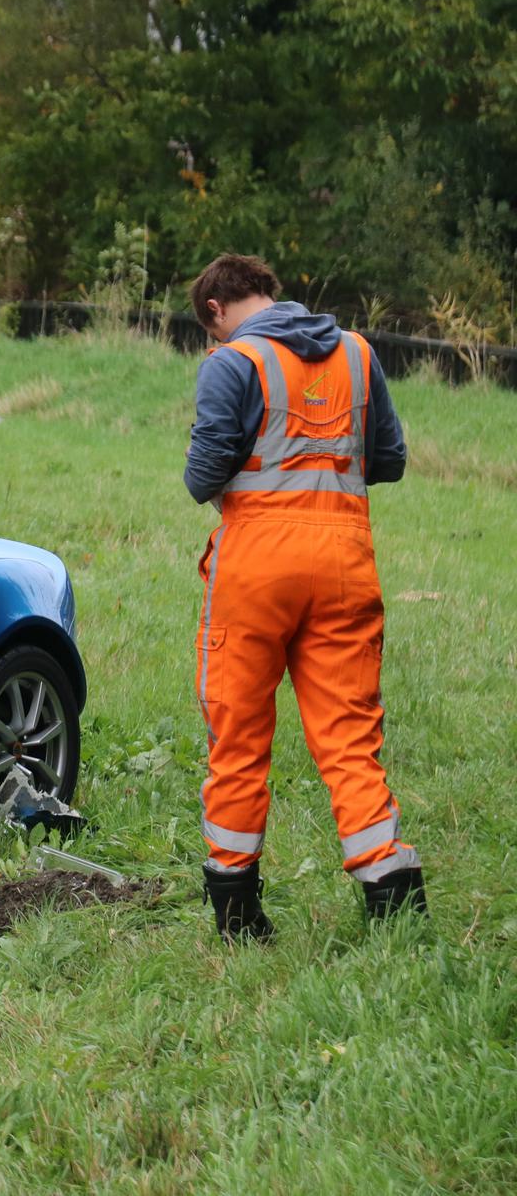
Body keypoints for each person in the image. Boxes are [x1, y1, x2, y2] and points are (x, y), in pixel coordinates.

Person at [183, 253, 424, 941]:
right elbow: (391, 461)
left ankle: (238, 913)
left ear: (215, 311)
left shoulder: (231, 362)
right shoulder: (356, 352)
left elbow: (204, 476)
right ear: (268, 290)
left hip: (257, 567)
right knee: (350, 735)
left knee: (239, 735)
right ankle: (392, 900)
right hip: (345, 560)